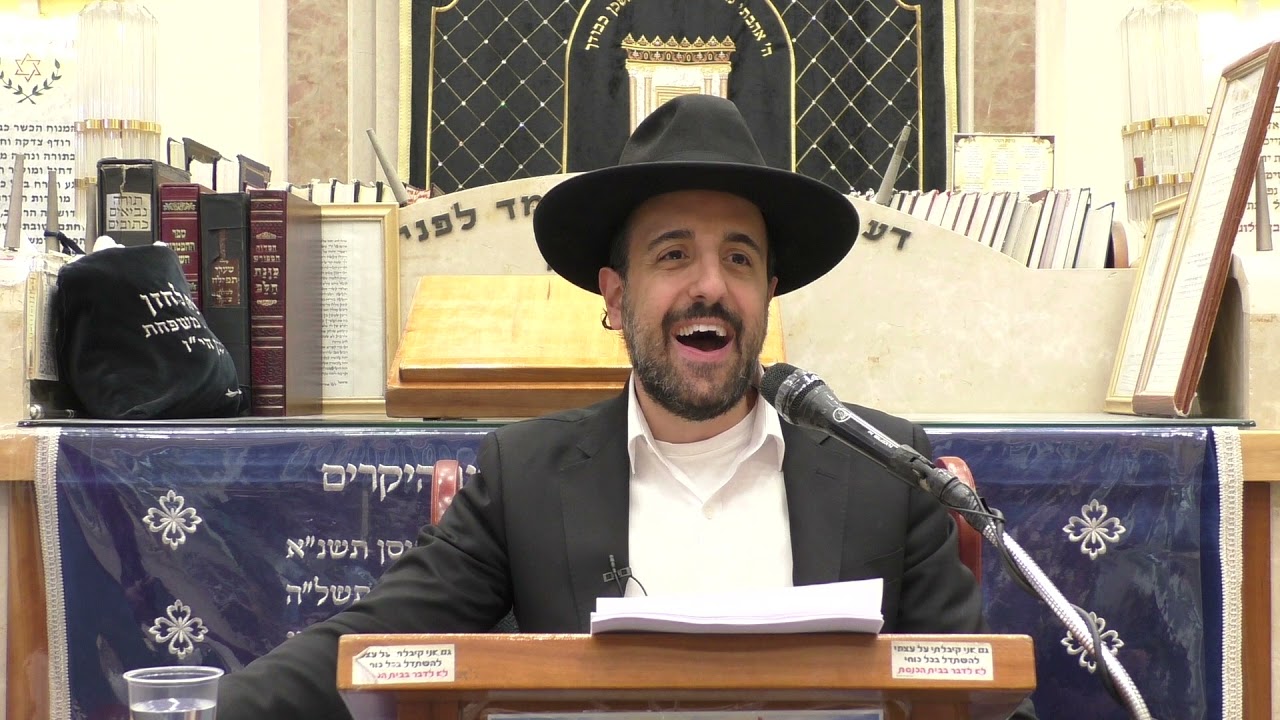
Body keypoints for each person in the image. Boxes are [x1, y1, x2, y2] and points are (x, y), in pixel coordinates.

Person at [216, 94, 1035, 719]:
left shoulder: (885, 470)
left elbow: (986, 699)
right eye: (673, 255)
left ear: (768, 292)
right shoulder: (526, 477)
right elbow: (369, 645)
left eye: (739, 259)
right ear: (616, 297)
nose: (710, 285)